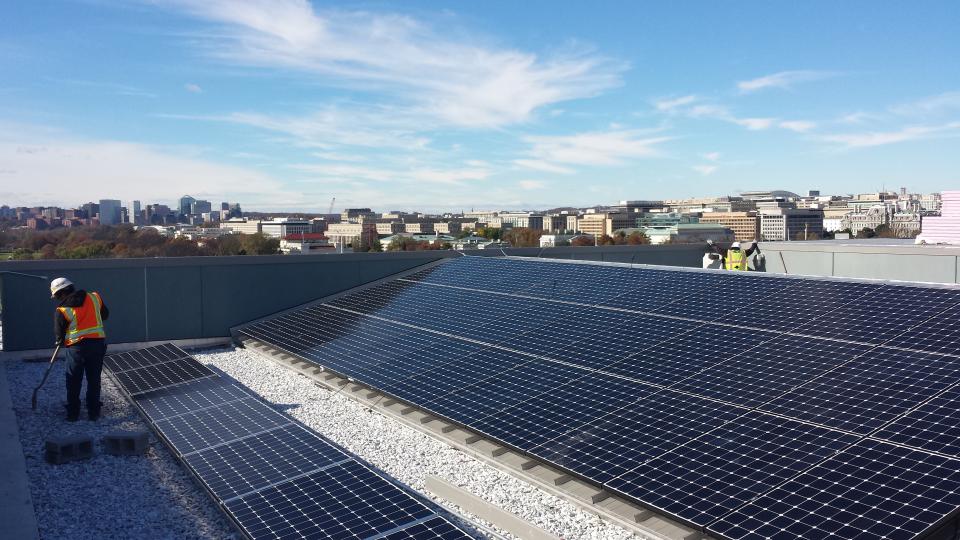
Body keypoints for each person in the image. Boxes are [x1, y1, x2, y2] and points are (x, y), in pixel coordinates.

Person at [51, 277, 109, 421]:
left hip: (76, 348)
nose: (58, 299)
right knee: (94, 379)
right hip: (97, 345)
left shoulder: (62, 310)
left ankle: (73, 414)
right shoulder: (95, 297)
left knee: (73, 380)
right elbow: (105, 315)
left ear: (62, 293)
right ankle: (94, 412)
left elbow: (59, 335)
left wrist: (59, 340)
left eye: (57, 296)